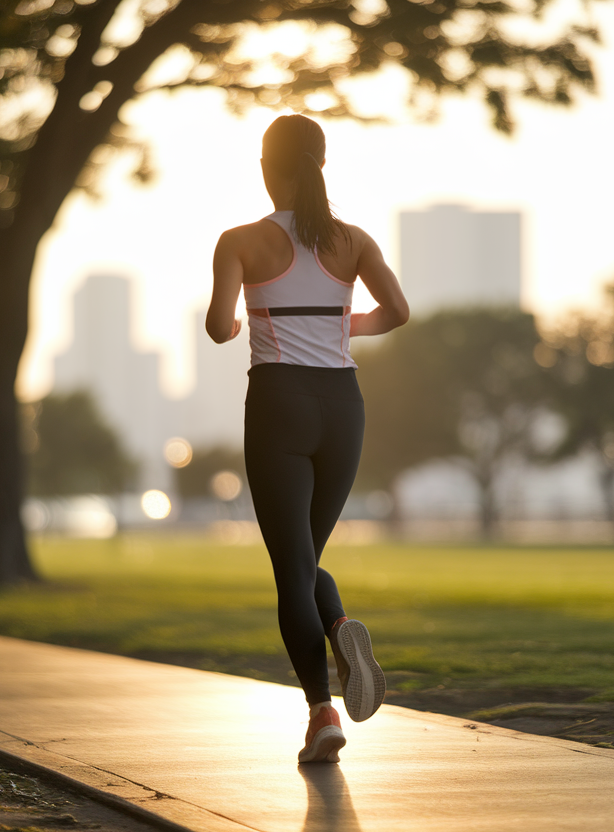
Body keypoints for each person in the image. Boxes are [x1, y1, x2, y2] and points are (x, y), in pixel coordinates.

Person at [207, 114, 410, 764]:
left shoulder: (240, 241)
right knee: (306, 558)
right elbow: (397, 312)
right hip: (342, 408)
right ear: (320, 165)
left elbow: (218, 328)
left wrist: (242, 321)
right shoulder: (353, 241)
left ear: (267, 169)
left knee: (292, 568)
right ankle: (340, 626)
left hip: (279, 403)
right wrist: (339, 328)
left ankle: (322, 714)